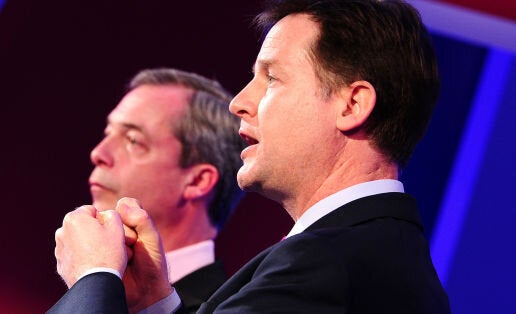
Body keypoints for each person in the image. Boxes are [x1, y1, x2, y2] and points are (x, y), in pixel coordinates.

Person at [50, 0, 451, 313]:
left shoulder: (326, 266)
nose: (240, 102)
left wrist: (94, 277)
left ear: (352, 104)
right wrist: (157, 304)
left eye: (272, 78)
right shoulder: (367, 252)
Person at [53, 68, 245, 312]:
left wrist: (93, 279)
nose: (98, 153)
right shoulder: (104, 279)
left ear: (197, 181)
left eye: (133, 140)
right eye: (107, 133)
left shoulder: (229, 307)